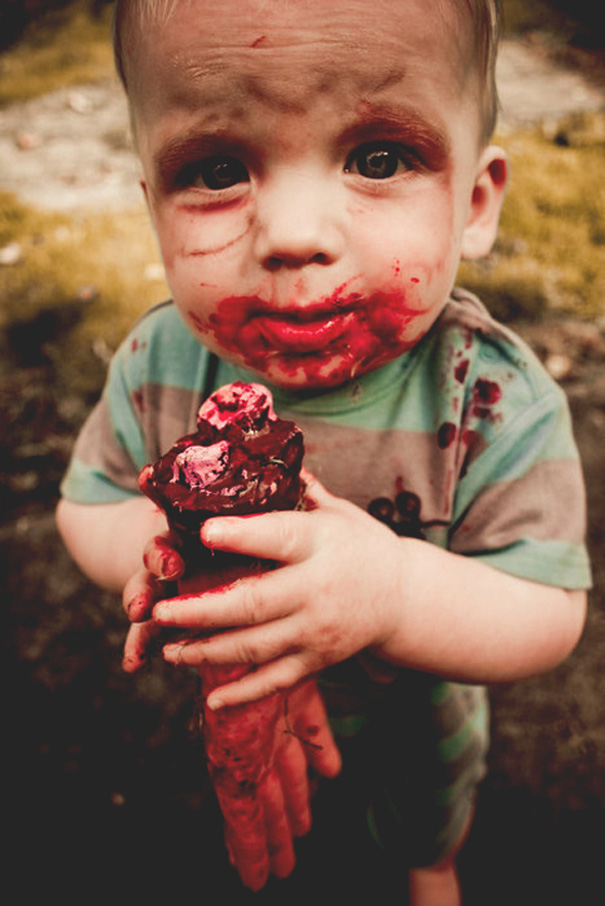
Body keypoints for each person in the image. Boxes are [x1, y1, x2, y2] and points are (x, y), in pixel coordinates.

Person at [56, 0, 591, 902]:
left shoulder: (487, 394)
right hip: (244, 710)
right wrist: (165, 552)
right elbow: (86, 504)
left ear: (473, 203)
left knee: (425, 819)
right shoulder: (162, 363)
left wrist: (391, 593)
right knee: (273, 837)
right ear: (152, 209)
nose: (294, 234)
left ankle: (432, 868)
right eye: (219, 169)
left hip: (417, 720)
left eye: (378, 158)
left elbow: (547, 608)